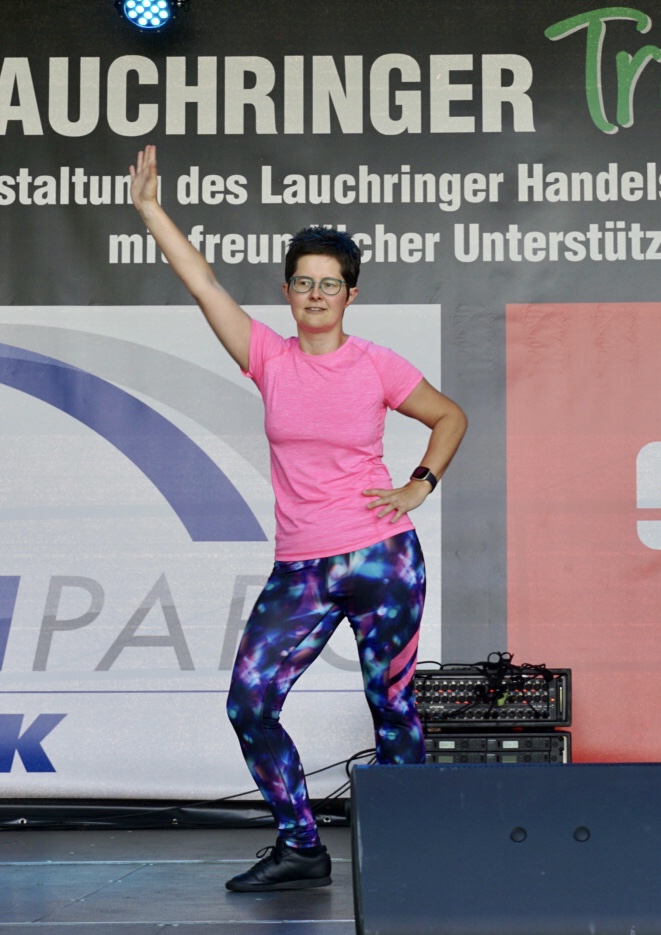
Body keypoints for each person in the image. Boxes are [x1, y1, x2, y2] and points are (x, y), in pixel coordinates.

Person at [128, 145, 467, 892]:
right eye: (304, 282)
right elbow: (203, 282)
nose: (316, 294)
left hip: (382, 558)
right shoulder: (267, 357)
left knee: (392, 704)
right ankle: (301, 845)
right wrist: (151, 210)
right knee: (250, 702)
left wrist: (419, 485)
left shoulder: (376, 363)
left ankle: (416, 852)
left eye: (330, 284)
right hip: (303, 567)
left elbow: (450, 416)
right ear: (287, 291)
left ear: (350, 294)